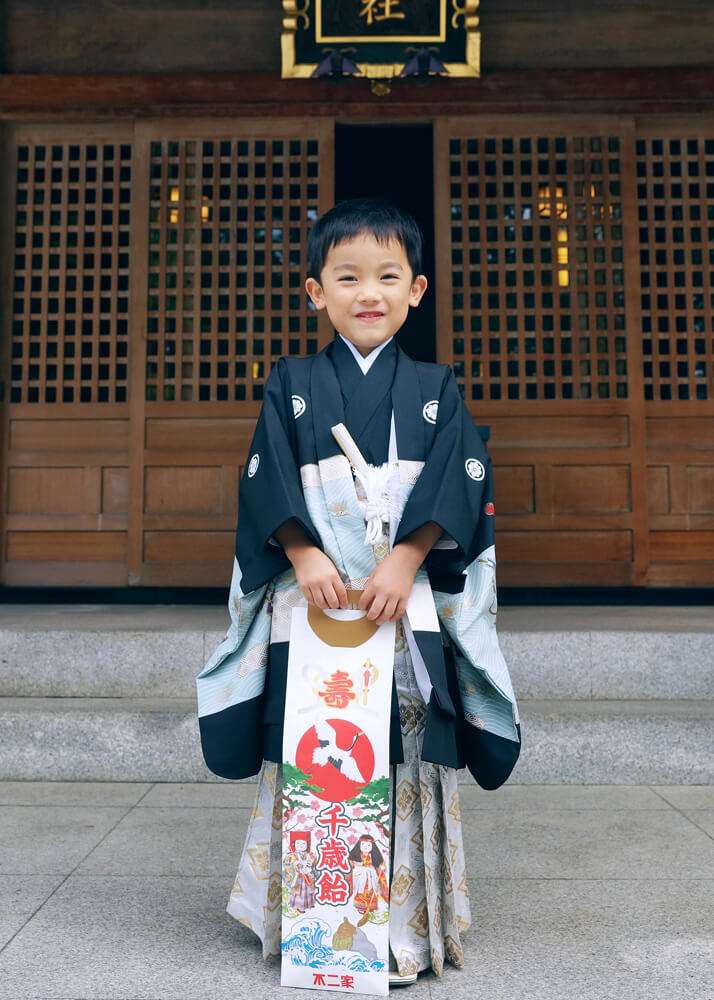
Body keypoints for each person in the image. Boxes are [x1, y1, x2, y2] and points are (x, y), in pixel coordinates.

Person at [197, 196, 522, 986]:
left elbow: (460, 486)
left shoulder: (439, 388)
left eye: (386, 275)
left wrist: (407, 559)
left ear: (416, 290)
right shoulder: (293, 383)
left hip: (399, 610)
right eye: (346, 277)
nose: (366, 292)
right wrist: (303, 554)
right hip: (317, 610)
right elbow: (263, 482)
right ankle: (302, 920)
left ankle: (404, 930)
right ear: (316, 292)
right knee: (317, 754)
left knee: (401, 753)